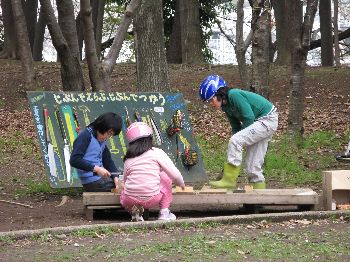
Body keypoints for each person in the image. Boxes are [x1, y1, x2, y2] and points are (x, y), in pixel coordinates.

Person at [199, 75, 278, 189]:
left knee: (236, 141)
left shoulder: (234, 95)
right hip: (259, 123)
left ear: (219, 94)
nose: (211, 103)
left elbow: (248, 116)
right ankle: (258, 198)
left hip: (267, 119)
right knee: (252, 166)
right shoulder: (226, 107)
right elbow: (236, 128)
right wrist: (238, 143)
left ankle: (229, 180)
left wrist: (239, 142)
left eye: (211, 99)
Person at [120, 121, 185, 222]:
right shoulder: (157, 153)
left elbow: (125, 180)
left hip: (130, 200)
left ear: (130, 142)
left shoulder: (128, 158)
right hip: (151, 198)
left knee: (125, 191)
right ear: (150, 138)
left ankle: (136, 212)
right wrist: (181, 184)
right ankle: (164, 213)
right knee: (166, 177)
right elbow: (174, 174)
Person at [70, 112, 122, 192]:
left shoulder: (101, 140)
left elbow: (107, 161)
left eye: (111, 135)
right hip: (92, 182)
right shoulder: (85, 136)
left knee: (122, 182)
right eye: (108, 133)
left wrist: (115, 177)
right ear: (102, 126)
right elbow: (74, 160)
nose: (108, 137)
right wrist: (97, 169)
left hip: (100, 179)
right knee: (128, 187)